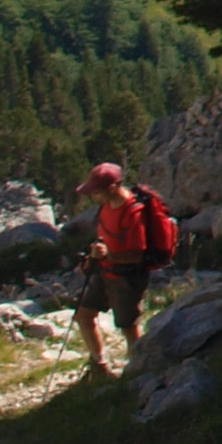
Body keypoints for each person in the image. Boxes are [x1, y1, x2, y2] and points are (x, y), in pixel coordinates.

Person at [70, 160, 153, 375]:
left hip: (127, 277)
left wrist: (108, 255)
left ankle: (138, 368)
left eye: (96, 192)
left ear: (111, 188)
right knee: (83, 314)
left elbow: (138, 255)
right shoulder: (106, 207)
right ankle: (99, 365)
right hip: (104, 271)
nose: (93, 197)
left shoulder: (133, 212)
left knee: (128, 325)